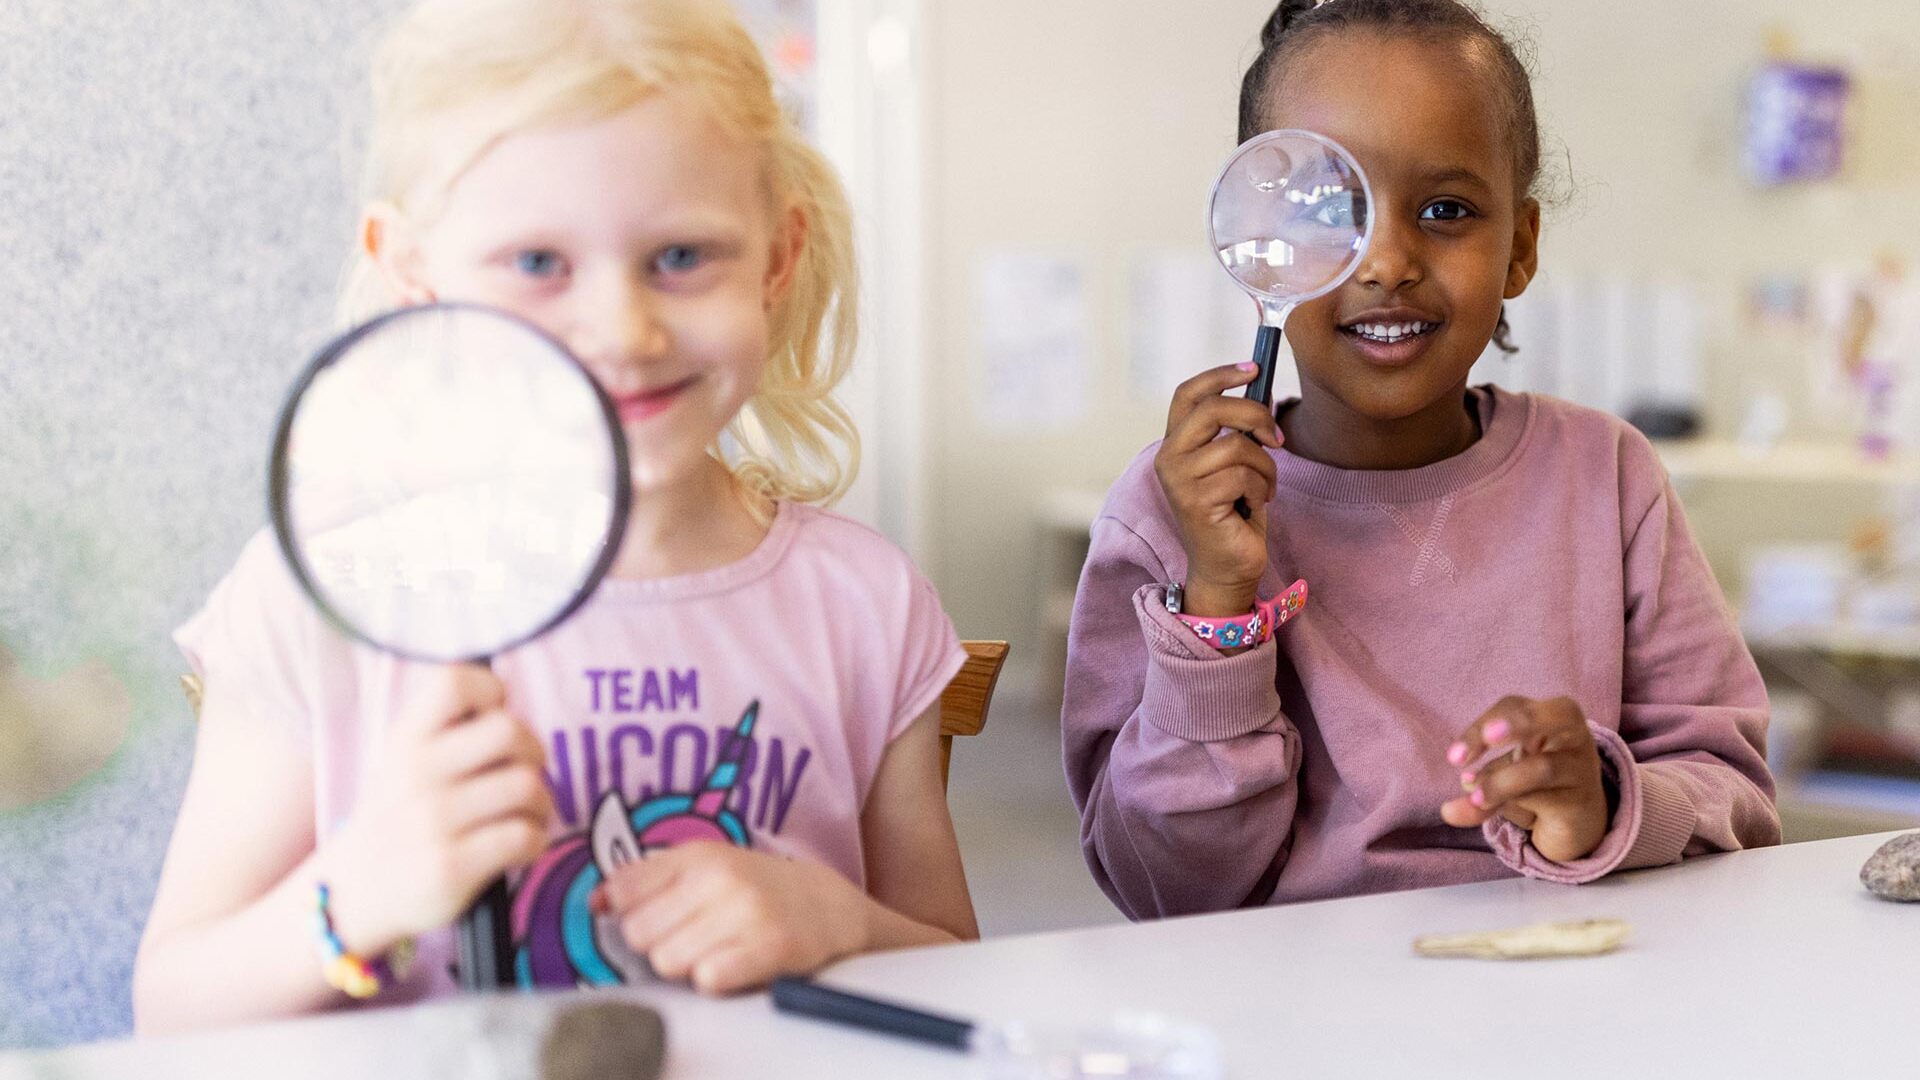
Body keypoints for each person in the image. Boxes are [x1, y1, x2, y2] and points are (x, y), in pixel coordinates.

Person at [135, 0, 976, 1034]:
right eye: (538, 264)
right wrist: (356, 892)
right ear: (413, 273)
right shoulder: (315, 604)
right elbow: (170, 1009)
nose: (622, 330)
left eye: (681, 256)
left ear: (777, 256)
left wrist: (838, 918)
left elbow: (957, 962)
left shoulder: (865, 604)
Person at [1063, 0, 1780, 921]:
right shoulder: (1172, 515)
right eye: (1332, 209)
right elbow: (1164, 889)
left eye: (1445, 209)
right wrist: (1215, 607)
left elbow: (1738, 800)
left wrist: (1604, 802)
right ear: (1255, 236)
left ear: (1519, 247)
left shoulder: (1608, 477)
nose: (1390, 259)